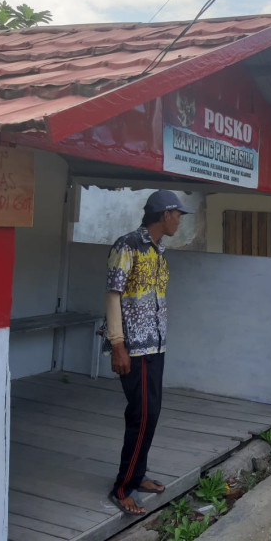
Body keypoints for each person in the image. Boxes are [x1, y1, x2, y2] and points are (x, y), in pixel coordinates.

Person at [105, 190, 193, 515]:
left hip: (156, 345)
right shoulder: (127, 246)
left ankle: (137, 475)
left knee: (150, 413)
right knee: (141, 414)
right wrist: (117, 344)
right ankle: (123, 487)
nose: (179, 221)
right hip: (134, 348)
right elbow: (113, 294)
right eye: (177, 215)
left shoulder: (158, 250)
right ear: (165, 214)